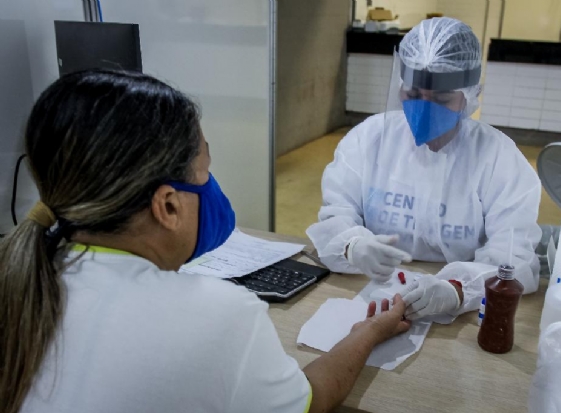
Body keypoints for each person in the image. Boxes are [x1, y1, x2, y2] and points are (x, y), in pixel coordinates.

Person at [0, 70, 412, 413]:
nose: (211, 188)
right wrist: (370, 331)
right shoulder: (220, 316)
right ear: (168, 206)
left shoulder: (24, 275)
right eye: (204, 172)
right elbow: (310, 399)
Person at [307, 17, 542, 323]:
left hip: (465, 317)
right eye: (414, 95)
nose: (425, 108)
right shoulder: (370, 139)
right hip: (369, 292)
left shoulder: (498, 158)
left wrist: (458, 289)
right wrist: (352, 245)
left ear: (470, 94)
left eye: (442, 98)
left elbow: (514, 258)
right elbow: (336, 213)